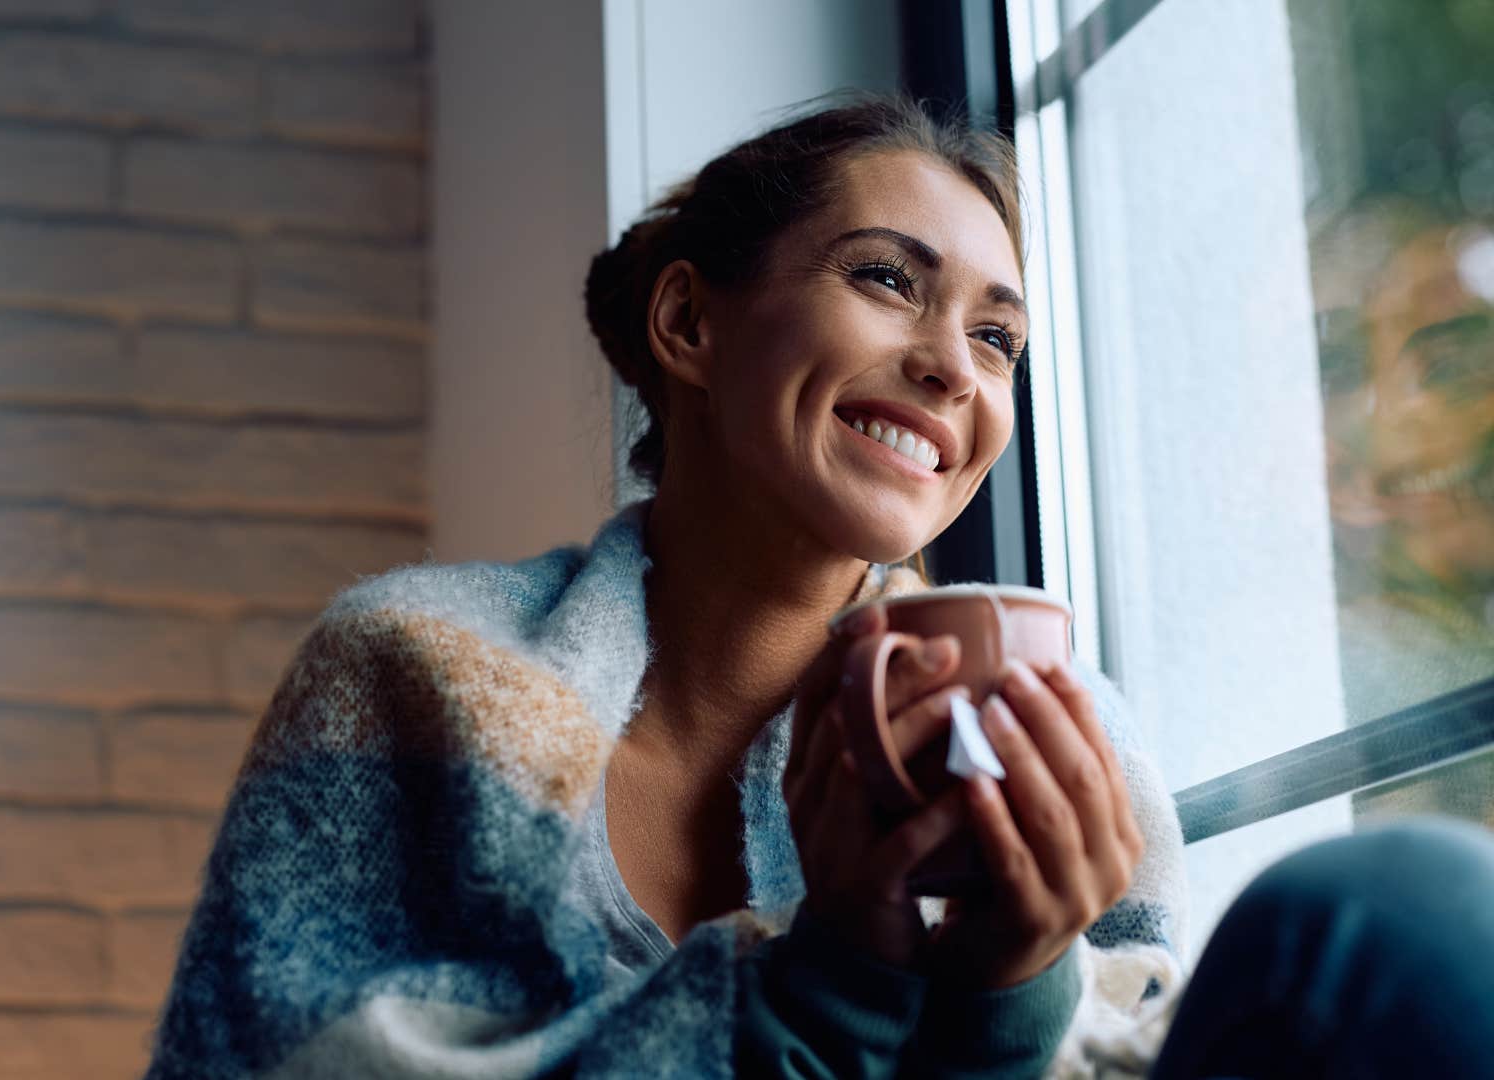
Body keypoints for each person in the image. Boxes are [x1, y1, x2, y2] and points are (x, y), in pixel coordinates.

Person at [142, 95, 1494, 1078]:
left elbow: (1122, 1044)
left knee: (1393, 916)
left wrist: (1016, 990)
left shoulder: (1069, 741)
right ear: (689, 322)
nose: (955, 367)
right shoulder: (412, 671)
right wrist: (819, 987)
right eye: (887, 280)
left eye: (999, 339)